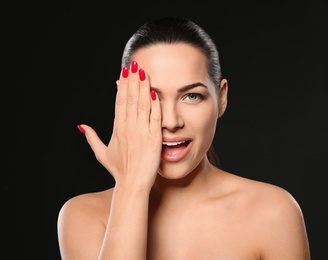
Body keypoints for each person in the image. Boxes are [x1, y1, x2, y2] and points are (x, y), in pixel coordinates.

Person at [57, 17, 311, 259]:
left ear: (221, 98)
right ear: (124, 100)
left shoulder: (272, 213)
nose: (171, 121)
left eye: (192, 96)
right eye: (151, 97)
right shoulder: (84, 215)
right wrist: (130, 185)